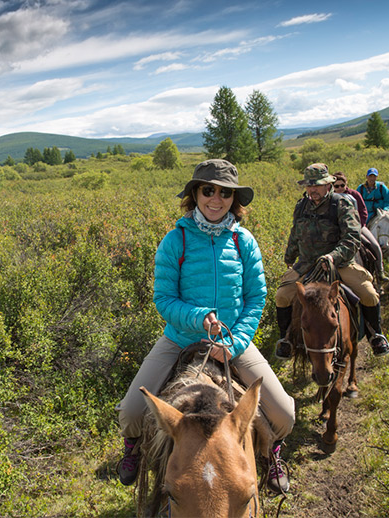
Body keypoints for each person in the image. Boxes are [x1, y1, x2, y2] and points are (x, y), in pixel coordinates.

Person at [116, 159, 295, 494]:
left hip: (232, 340)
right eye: (208, 190)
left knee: (284, 413)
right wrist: (199, 317)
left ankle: (271, 452)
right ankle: (134, 449)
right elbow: (163, 299)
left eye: (225, 192)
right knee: (130, 412)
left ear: (234, 198)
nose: (216, 199)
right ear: (195, 194)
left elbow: (256, 298)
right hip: (180, 338)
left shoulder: (244, 241)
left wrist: (237, 342)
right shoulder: (176, 240)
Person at [274, 163, 389, 361]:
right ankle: (286, 339)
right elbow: (295, 234)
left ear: (328, 185)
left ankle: (375, 335)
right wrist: (289, 257)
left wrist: (333, 256)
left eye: (318, 185)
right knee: (281, 296)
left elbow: (352, 238)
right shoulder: (301, 206)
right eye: (309, 186)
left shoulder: (341, 204)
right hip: (307, 264)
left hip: (339, 263)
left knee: (369, 293)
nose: (313, 190)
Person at [333, 172, 388, 282]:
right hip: (336, 229)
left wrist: (357, 226)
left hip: (357, 226)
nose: (339, 188)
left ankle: (380, 271)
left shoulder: (354, 195)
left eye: (342, 185)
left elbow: (363, 212)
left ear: (346, 184)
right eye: (336, 186)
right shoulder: (330, 197)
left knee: (375, 246)